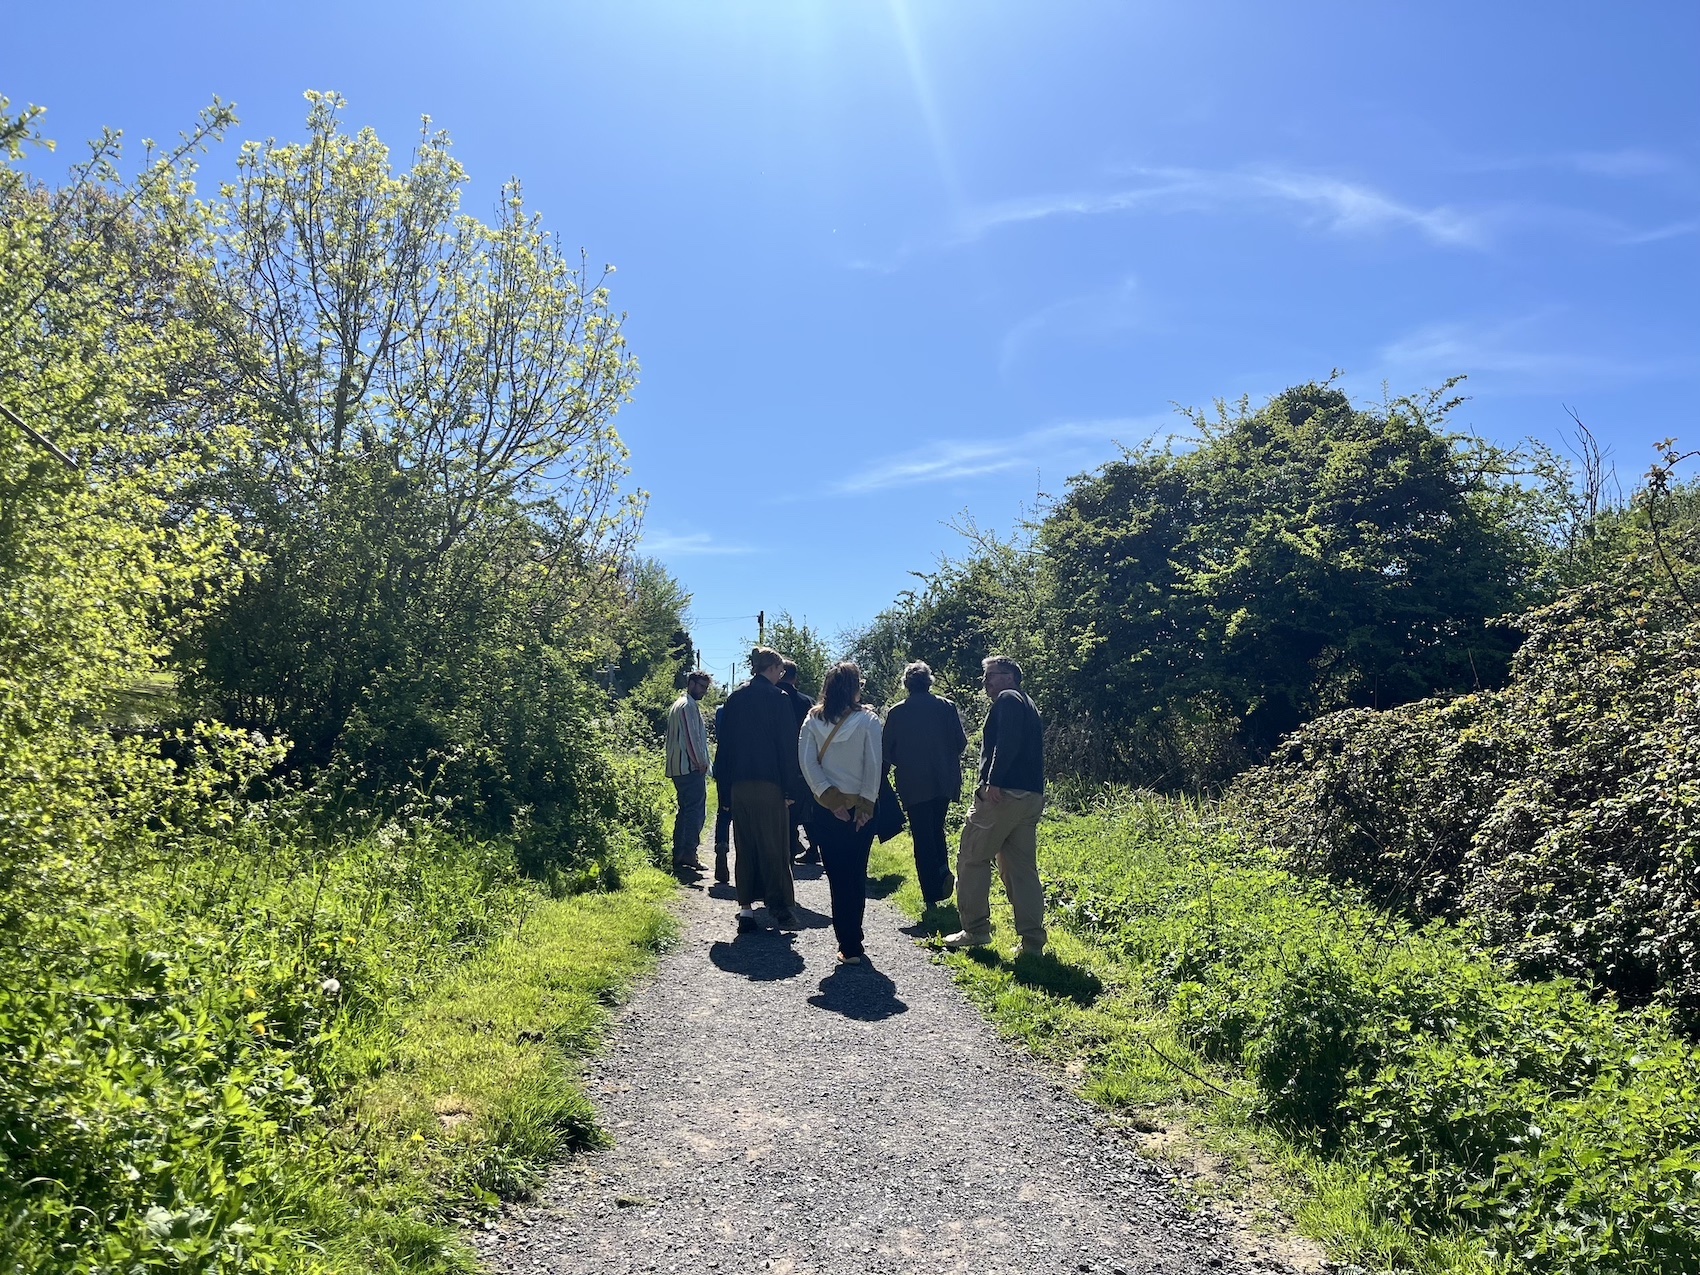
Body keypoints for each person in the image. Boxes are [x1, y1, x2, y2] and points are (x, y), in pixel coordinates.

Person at [944, 656, 1048, 957]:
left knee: (972, 859)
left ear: (1009, 677)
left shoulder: (1008, 698)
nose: (985, 682)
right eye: (985, 676)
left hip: (1003, 796)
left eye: (990, 675)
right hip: (1029, 798)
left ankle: (975, 931)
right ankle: (1032, 944)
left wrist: (993, 780)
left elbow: (1007, 742)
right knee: (1021, 871)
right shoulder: (1028, 703)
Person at [715, 646, 810, 931]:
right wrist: (791, 790)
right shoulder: (778, 699)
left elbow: (725, 748)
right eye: (780, 671)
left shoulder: (734, 699)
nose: (781, 676)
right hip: (770, 785)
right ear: (772, 669)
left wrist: (724, 794)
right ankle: (779, 907)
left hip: (739, 786)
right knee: (774, 847)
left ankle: (745, 911)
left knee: (745, 846)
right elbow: (786, 747)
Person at [798, 661, 883, 965]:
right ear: (855, 687)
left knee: (836, 875)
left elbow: (807, 763)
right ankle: (853, 940)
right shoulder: (869, 721)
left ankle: (846, 943)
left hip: (826, 809)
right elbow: (874, 765)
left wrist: (831, 799)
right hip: (860, 807)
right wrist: (865, 806)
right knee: (856, 873)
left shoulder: (812, 720)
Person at [881, 661, 968, 908]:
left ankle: (931, 893)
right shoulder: (946, 707)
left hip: (913, 782)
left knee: (922, 835)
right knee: (936, 828)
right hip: (943, 779)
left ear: (906, 684)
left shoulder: (897, 712)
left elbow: (886, 751)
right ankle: (942, 871)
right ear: (930, 682)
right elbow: (960, 743)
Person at [664, 670, 713, 875]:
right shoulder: (687, 706)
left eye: (705, 688)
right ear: (691, 683)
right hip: (688, 767)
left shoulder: (680, 704)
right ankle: (688, 854)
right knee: (694, 811)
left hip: (681, 767)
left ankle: (681, 853)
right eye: (701, 686)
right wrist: (700, 762)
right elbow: (691, 738)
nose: (703, 691)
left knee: (686, 810)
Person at [776, 660, 819, 864]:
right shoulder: (807, 701)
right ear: (795, 678)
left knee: (782, 810)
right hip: (804, 762)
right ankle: (814, 847)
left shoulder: (772, 698)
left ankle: (785, 851)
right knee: (806, 807)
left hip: (778, 763)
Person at [711, 701, 734, 885]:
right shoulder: (747, 712)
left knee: (724, 811)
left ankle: (721, 847)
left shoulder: (721, 712)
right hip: (740, 765)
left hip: (722, 763)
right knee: (742, 814)